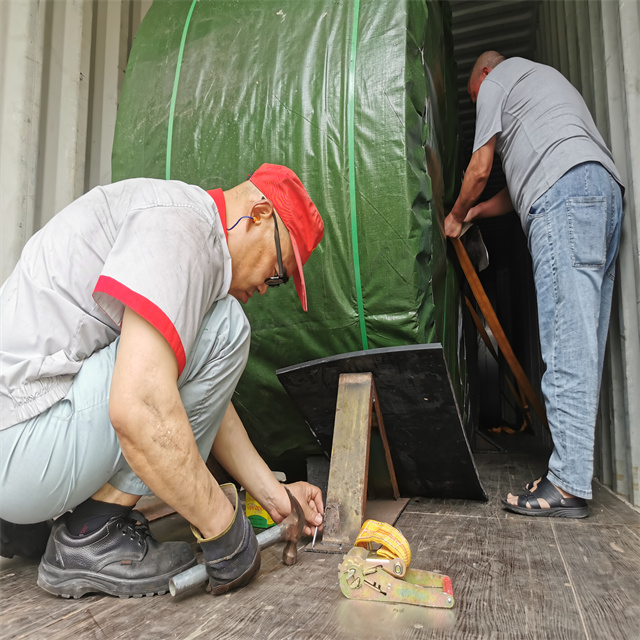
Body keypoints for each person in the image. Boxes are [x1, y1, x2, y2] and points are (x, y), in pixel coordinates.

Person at [0, 163, 325, 598]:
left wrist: (275, 495)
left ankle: (32, 520)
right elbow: (142, 406)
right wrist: (222, 528)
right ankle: (91, 535)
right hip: (20, 446)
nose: (268, 287)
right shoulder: (184, 227)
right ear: (259, 214)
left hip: (20, 444)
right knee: (227, 327)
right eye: (277, 271)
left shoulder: (175, 216)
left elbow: (202, 396)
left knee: (200, 343)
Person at [444, 52, 624, 518]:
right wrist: (480, 213)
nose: (479, 103)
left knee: (564, 344)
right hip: (601, 194)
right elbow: (512, 187)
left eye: (473, 97)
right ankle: (571, 475)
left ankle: (565, 485)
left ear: (484, 74)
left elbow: (481, 168)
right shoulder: (543, 83)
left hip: (562, 200)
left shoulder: (497, 81)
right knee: (582, 345)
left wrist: (457, 214)